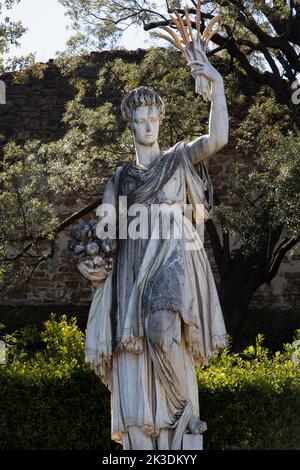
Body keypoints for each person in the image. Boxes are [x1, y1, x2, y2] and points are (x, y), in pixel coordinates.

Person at [77, 49, 229, 450]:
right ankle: (150, 433)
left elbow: (218, 139)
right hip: (131, 265)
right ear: (130, 125)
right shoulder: (121, 177)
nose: (147, 126)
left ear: (161, 120)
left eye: (152, 119)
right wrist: (92, 264)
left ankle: (184, 414)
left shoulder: (179, 159)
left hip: (175, 253)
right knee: (137, 347)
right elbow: (104, 234)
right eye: (139, 120)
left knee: (162, 330)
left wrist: (218, 86)